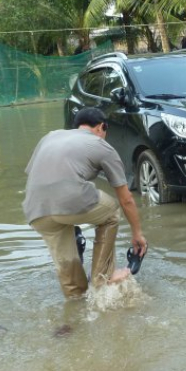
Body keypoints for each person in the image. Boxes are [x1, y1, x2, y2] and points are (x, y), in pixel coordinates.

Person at [23, 107, 147, 298]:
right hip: (69, 200)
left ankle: (74, 309)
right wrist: (137, 234)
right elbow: (126, 199)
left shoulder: (50, 137)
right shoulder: (101, 145)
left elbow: (36, 174)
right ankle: (102, 277)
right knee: (112, 211)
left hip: (35, 209)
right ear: (101, 127)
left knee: (74, 289)